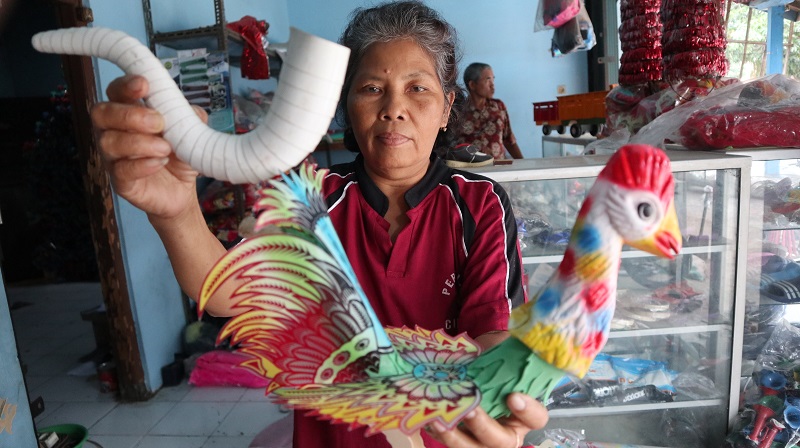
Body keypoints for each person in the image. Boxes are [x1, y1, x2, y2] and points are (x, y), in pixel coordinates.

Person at [90, 1, 547, 447]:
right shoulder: (315, 197)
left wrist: (498, 405)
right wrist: (176, 212)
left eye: (417, 88)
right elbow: (230, 292)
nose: (393, 108)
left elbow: (493, 332)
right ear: (346, 104)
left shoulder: (478, 202)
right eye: (371, 88)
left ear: (447, 108)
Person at [458, 62, 525, 161]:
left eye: (493, 80)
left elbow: (509, 140)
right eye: (488, 80)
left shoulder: (499, 107)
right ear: (472, 85)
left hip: (498, 170)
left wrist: (523, 164)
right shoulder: (458, 111)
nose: (493, 86)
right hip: (469, 172)